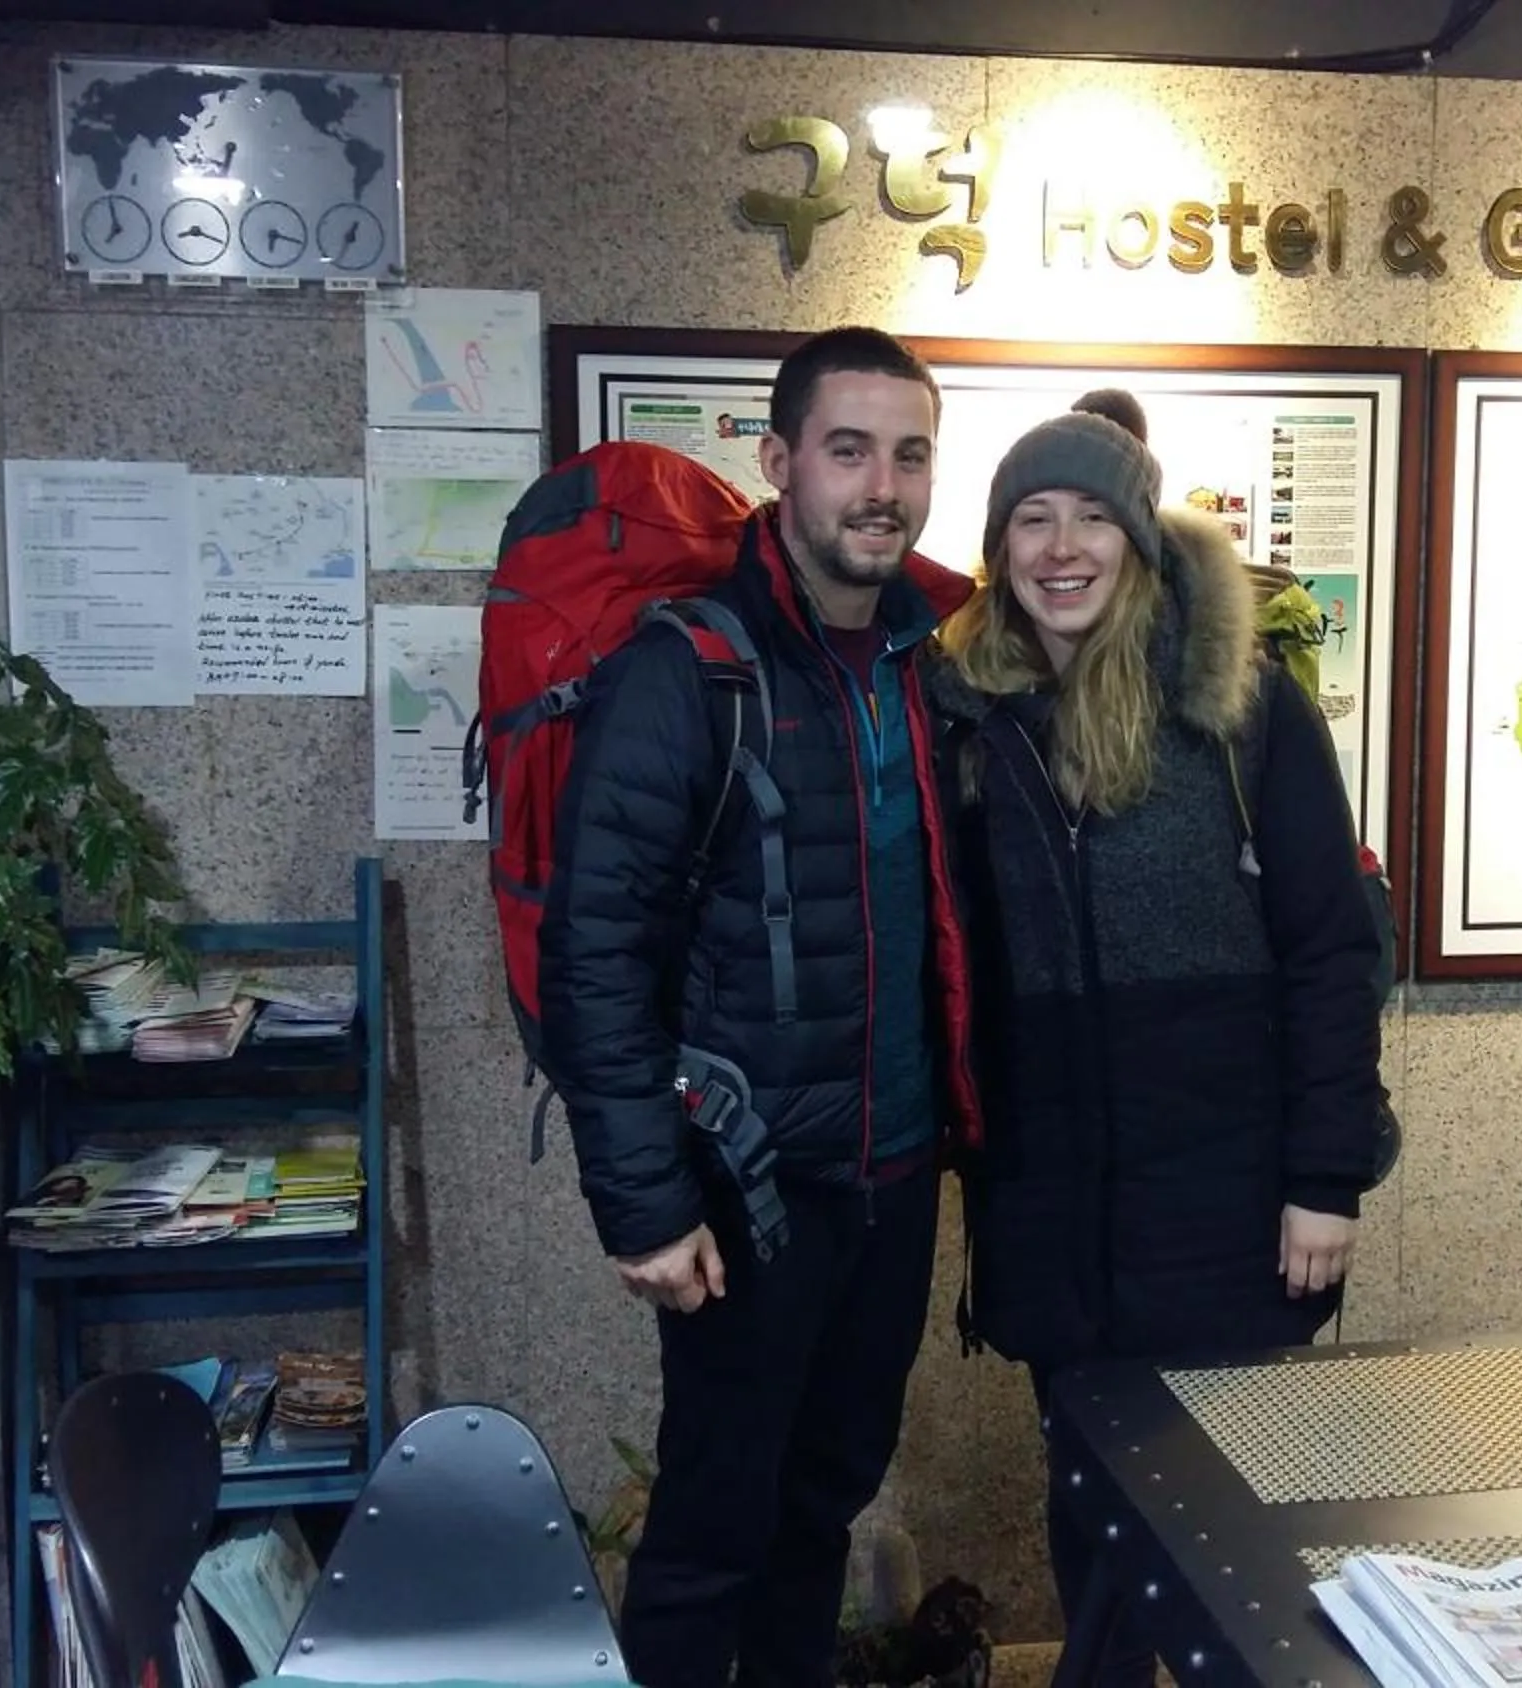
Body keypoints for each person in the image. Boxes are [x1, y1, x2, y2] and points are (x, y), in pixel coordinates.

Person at [538, 325, 981, 1688]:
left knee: (822, 1507)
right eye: (849, 450)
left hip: (892, 1181)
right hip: (748, 1190)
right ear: (781, 461)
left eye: (909, 455)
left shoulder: (927, 668)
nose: (882, 487)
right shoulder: (689, 672)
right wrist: (644, 1204)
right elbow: (595, 948)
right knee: (713, 1524)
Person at [926, 395, 1385, 1680]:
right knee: (1088, 1503)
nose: (1062, 547)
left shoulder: (1239, 709)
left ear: (1136, 539)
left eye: (1092, 517)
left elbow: (1331, 950)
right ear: (999, 547)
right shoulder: (962, 713)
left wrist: (1325, 1176)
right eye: (1032, 519)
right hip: (1050, 1206)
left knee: (1237, 1529)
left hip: (1224, 1204)